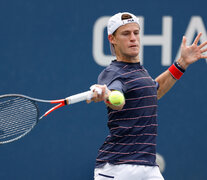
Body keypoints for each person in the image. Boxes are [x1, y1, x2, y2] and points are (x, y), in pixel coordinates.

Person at [87, 12, 207, 180]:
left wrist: (182, 63)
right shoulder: (113, 73)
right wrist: (108, 95)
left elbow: (153, 92)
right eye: (126, 33)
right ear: (112, 39)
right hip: (118, 168)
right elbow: (117, 100)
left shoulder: (139, 72)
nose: (133, 38)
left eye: (136, 33)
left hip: (148, 167)